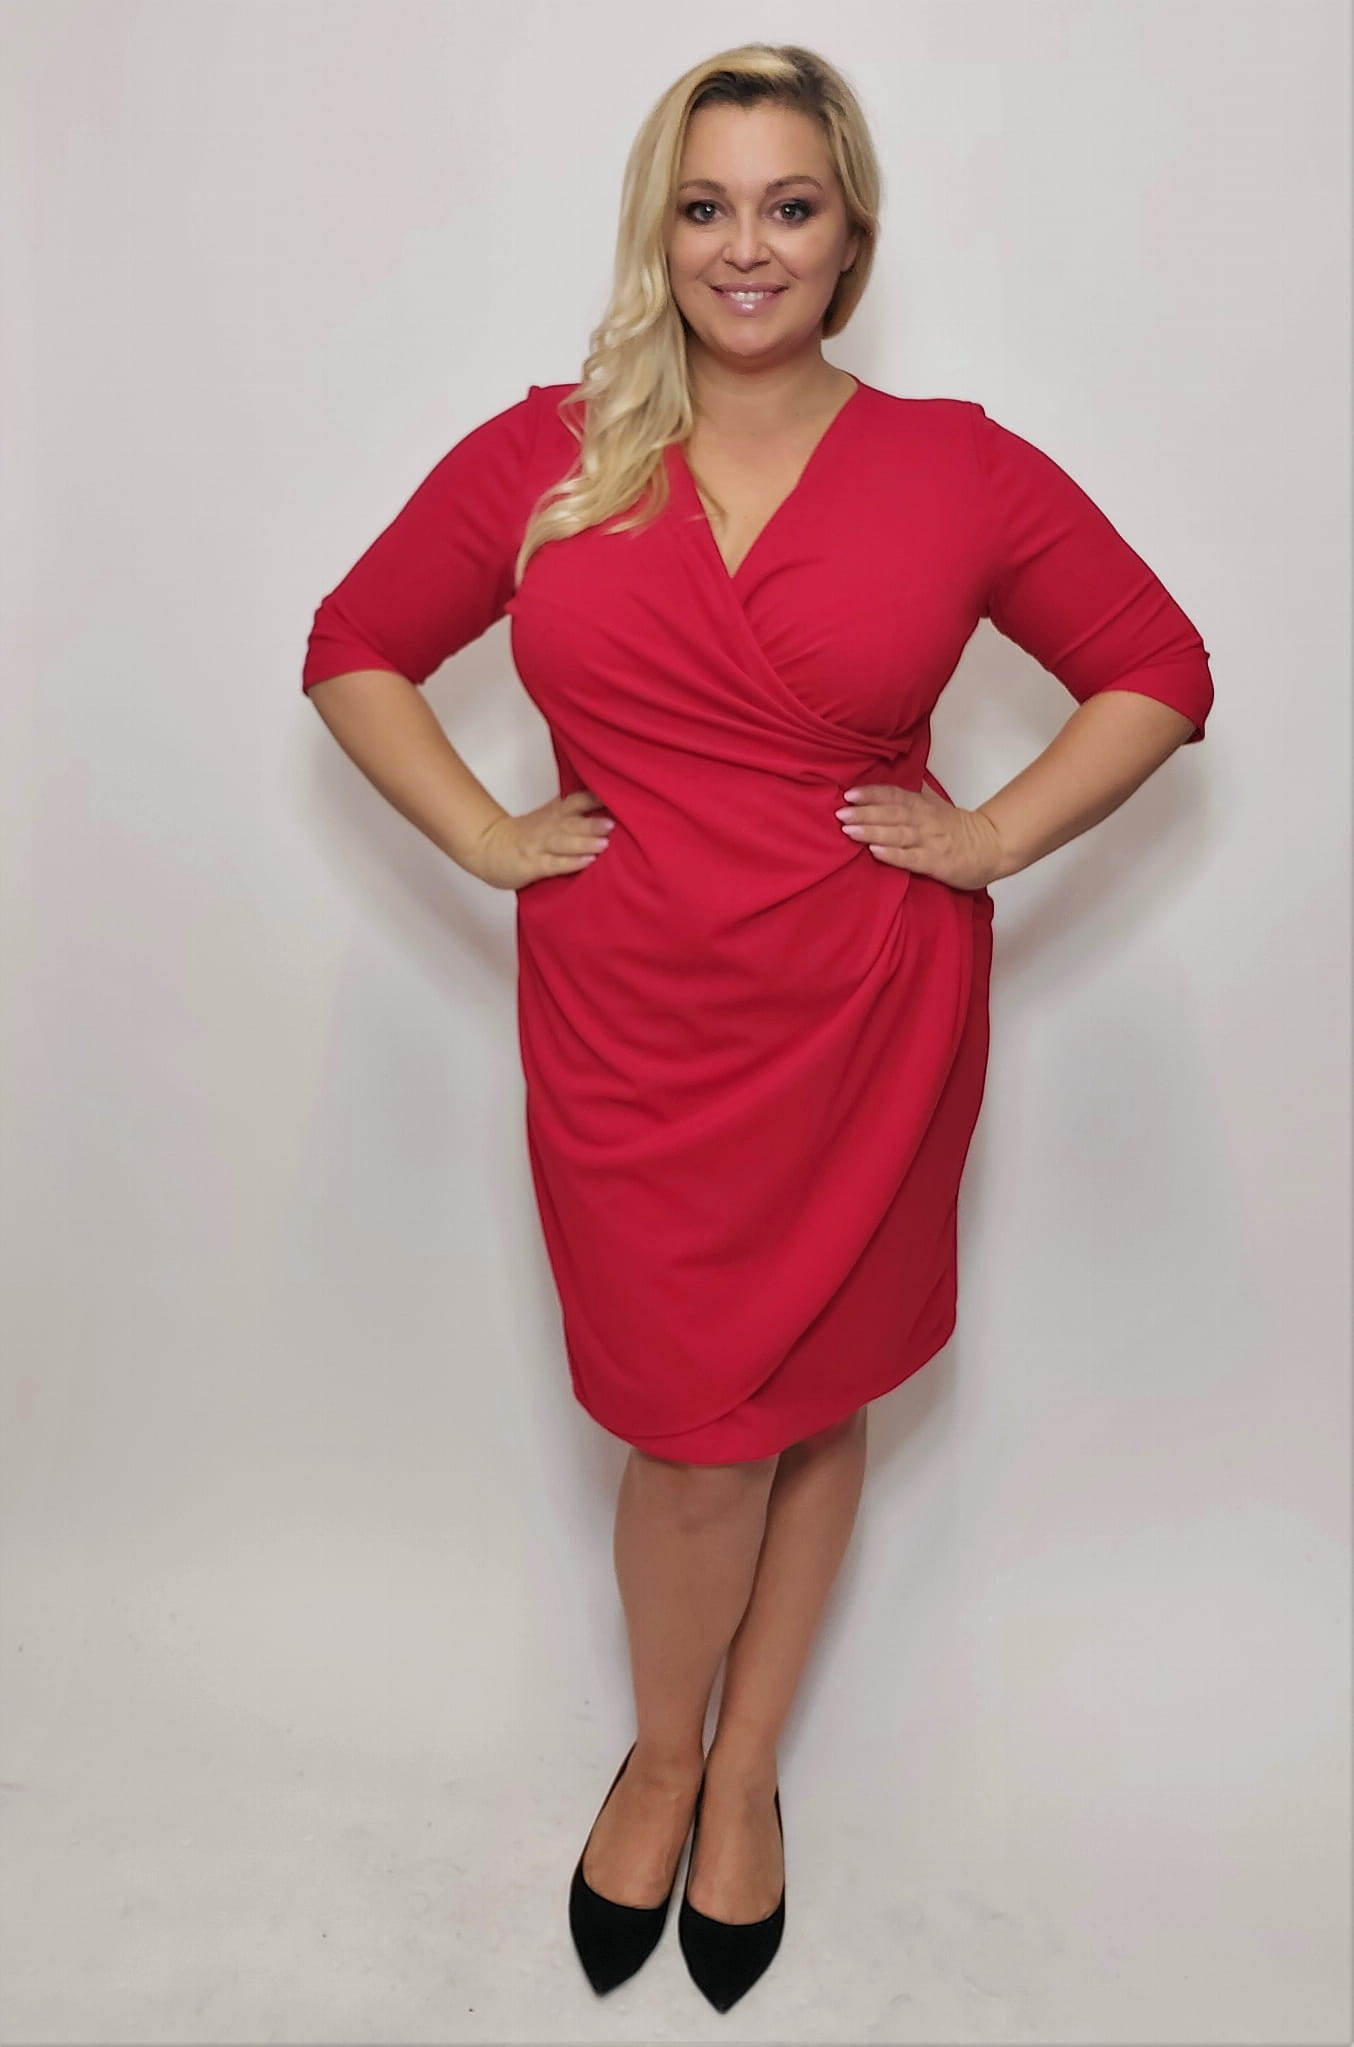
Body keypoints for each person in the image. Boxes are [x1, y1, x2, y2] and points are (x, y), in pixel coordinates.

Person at [300, 41, 1214, 2014]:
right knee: (691, 1430)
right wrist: (484, 834)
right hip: (630, 1022)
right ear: (658, 231)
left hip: (867, 1004)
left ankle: (742, 1775)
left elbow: (1155, 667)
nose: (745, 246)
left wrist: (986, 834)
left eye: (788, 206)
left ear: (849, 235)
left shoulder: (956, 466)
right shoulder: (546, 456)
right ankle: (658, 1755)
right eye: (705, 206)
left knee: (817, 1389)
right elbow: (353, 644)